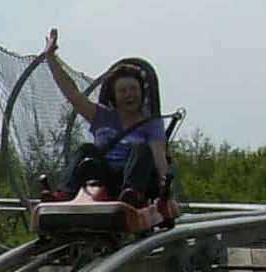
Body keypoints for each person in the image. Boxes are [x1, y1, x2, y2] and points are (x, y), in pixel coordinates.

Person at [39, 29, 171, 205]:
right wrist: (51, 58)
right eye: (123, 91)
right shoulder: (102, 116)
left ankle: (132, 194)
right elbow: (72, 94)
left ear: (142, 93)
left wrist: (166, 193)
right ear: (114, 96)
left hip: (135, 178)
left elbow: (159, 158)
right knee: (86, 150)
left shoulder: (151, 123)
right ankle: (63, 193)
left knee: (142, 149)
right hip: (104, 177)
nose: (129, 95)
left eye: (133, 90)